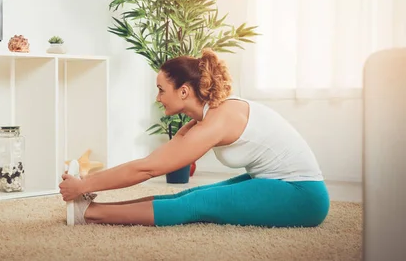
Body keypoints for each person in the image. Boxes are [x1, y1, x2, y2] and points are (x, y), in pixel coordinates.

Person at [59, 48, 330, 227]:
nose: (157, 98)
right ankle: (92, 208)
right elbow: (157, 160)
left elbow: (147, 168)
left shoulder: (217, 120)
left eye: (161, 90)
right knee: (195, 191)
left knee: (197, 204)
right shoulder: (207, 116)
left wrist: (83, 184)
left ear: (184, 91)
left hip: (302, 195)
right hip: (276, 181)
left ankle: (90, 214)